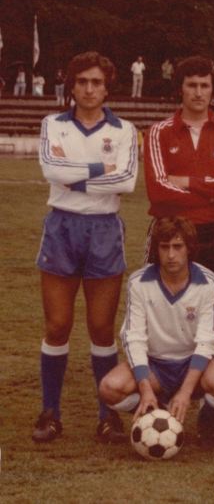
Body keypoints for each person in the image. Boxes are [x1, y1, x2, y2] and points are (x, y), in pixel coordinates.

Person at [33, 51, 139, 443]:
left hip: (104, 229)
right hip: (62, 226)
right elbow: (51, 170)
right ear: (72, 86)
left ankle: (107, 415)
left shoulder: (124, 130)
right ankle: (50, 412)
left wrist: (74, 175)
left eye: (96, 82)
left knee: (101, 327)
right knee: (58, 325)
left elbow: (127, 181)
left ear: (107, 88)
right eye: (82, 82)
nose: (89, 89)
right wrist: (100, 169)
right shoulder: (53, 124)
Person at [98, 217, 214, 441]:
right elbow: (134, 338)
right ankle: (158, 412)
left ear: (189, 248)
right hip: (155, 366)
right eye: (164, 247)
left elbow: (207, 340)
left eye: (177, 246)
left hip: (191, 363)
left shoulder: (210, 282)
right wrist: (145, 389)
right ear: (156, 249)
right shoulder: (138, 282)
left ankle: (206, 418)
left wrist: (185, 392)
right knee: (109, 388)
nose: (171, 255)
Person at [144, 56, 214, 291]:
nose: (198, 92)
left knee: (212, 308)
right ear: (180, 88)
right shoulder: (158, 132)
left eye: (205, 86)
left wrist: (188, 182)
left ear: (213, 90)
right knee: (164, 308)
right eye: (192, 85)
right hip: (169, 230)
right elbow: (157, 191)